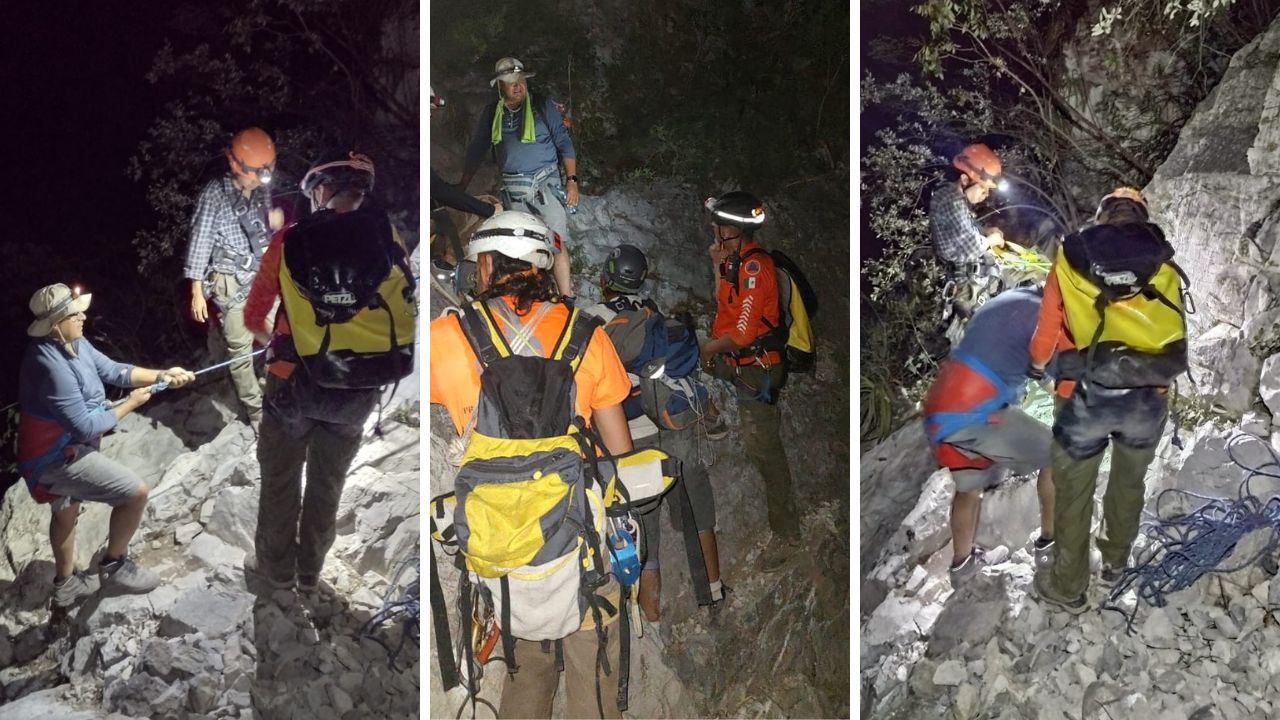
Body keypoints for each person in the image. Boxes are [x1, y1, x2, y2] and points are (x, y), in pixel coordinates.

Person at [430, 211, 632, 718]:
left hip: (501, 553)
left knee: (528, 666)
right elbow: (620, 452)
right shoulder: (589, 336)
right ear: (543, 267)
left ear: (485, 265)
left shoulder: (447, 336)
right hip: (579, 547)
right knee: (595, 667)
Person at [242, 149, 403, 593]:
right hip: (358, 386)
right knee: (327, 482)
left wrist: (276, 340)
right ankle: (310, 571)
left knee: (280, 479)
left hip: (293, 381)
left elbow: (253, 316)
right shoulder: (387, 237)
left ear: (322, 190)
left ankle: (276, 570)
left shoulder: (290, 239)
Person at [1028, 187, 1183, 612]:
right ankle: (1115, 562)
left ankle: (1069, 586)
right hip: (1146, 396)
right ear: (1141, 218)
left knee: (1074, 489)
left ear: (1101, 216)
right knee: (1128, 482)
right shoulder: (1161, 259)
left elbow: (1046, 332)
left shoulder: (1071, 257)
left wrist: (1037, 365)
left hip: (1083, 395)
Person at [17, 283, 195, 608]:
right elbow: (84, 425)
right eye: (75, 314)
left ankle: (66, 586)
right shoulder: (50, 366)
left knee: (66, 512)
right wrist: (130, 404)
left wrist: (161, 375)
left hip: (63, 444)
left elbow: (114, 371)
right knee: (134, 493)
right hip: (53, 456)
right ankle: (114, 567)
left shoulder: (73, 341)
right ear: (56, 324)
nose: (83, 317)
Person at [583, 244, 727, 622]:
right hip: (675, 423)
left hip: (631, 435)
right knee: (698, 512)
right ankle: (713, 591)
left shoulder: (593, 320)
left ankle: (651, 616)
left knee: (645, 531)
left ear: (605, 277)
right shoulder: (652, 312)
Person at [921, 285, 1057, 588]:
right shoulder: (1044, 318)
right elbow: (1062, 384)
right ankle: (1051, 546)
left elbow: (1039, 373)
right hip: (975, 409)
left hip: (940, 408)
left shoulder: (1009, 300)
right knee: (1059, 455)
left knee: (969, 490)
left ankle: (962, 566)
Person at [700, 191, 801, 573]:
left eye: (718, 225)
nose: (714, 230)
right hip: (737, 361)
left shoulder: (756, 267)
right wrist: (716, 265)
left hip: (757, 367)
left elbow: (742, 334)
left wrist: (709, 349)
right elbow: (724, 304)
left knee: (765, 451)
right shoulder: (735, 262)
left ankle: (787, 534)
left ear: (733, 229)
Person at [183, 127, 284, 425]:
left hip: (262, 274)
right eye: (255, 174)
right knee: (240, 350)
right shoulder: (214, 195)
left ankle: (280, 387)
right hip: (232, 282)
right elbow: (200, 240)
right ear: (236, 165)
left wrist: (273, 221)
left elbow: (262, 226)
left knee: (281, 332)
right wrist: (196, 290)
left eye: (266, 173)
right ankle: (256, 412)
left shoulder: (261, 187)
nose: (260, 180)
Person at [459, 57, 579, 299]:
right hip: (513, 190)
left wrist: (572, 181)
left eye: (521, 80)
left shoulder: (542, 106)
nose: (518, 85)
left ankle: (567, 297)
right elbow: (478, 149)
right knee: (520, 245)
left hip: (545, 185)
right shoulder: (493, 112)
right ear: (500, 85)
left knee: (555, 240)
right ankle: (528, 294)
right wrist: (462, 185)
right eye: (511, 81)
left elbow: (564, 143)